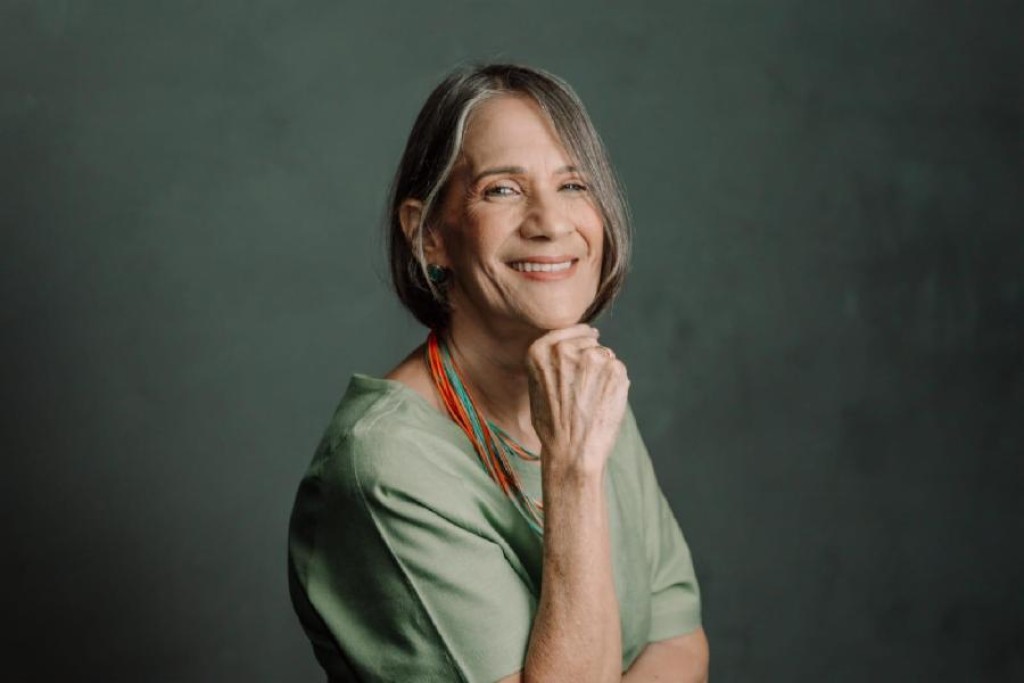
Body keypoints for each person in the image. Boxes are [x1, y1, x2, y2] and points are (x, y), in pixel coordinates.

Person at [288, 63, 709, 682]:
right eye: (502, 190)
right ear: (429, 234)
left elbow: (680, 646)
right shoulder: (387, 465)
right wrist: (572, 472)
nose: (551, 224)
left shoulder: (583, 392)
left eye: (573, 185)